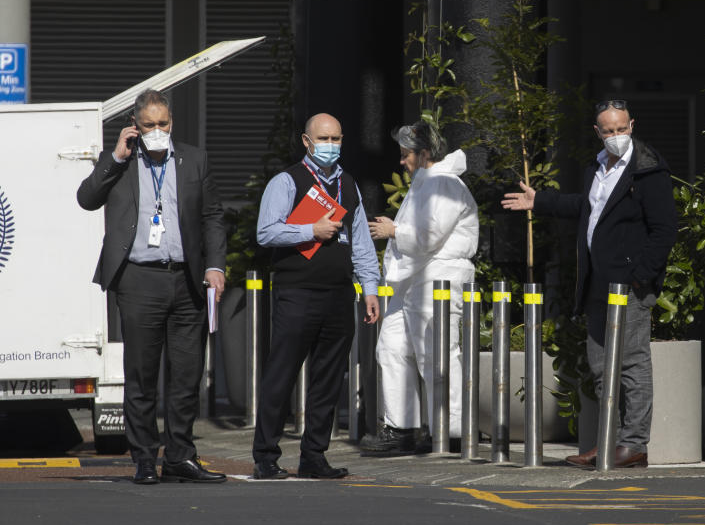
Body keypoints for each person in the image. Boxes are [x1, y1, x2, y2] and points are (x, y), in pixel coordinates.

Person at [502, 99, 677, 468]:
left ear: (632, 125)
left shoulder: (647, 171)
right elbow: (588, 207)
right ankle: (608, 442)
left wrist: (640, 276)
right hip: (598, 283)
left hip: (629, 286)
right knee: (601, 367)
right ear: (597, 132)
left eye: (622, 128)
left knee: (631, 366)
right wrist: (541, 201)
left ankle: (634, 444)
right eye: (608, 131)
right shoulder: (597, 167)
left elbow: (664, 230)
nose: (616, 136)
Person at [77, 89, 228, 484]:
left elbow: (213, 215)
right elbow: (87, 198)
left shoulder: (194, 159)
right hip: (139, 279)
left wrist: (215, 266)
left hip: (186, 278)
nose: (157, 131)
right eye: (149, 126)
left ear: (172, 122)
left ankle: (180, 455)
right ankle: (144, 457)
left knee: (186, 375)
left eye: (163, 124)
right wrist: (116, 157)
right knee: (142, 376)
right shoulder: (122, 163)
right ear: (135, 126)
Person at [252, 112, 380, 479]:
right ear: (306, 142)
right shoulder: (287, 181)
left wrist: (369, 287)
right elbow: (266, 233)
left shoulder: (348, 184)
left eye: (336, 139)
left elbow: (361, 243)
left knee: (327, 378)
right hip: (297, 292)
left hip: (338, 293)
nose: (330, 146)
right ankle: (265, 455)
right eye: (323, 139)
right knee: (282, 374)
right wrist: (311, 229)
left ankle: (314, 455)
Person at [359, 122, 479, 456]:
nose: (402, 162)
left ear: (424, 153)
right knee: (391, 348)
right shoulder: (427, 183)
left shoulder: (445, 184)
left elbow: (429, 236)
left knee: (435, 355)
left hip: (438, 278)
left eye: (406, 155)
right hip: (414, 280)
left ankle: (451, 429)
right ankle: (402, 427)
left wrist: (393, 230)